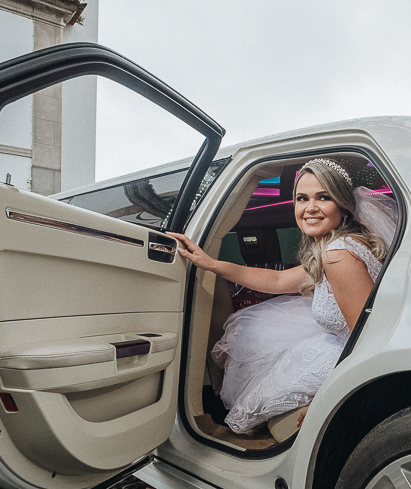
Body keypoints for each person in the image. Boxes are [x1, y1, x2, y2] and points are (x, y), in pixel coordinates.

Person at [168, 158, 397, 435]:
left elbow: (365, 338)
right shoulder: (340, 245)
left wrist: (329, 396)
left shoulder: (338, 255)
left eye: (323, 197)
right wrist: (211, 264)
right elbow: (277, 280)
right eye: (302, 198)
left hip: (351, 357)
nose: (310, 208)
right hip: (341, 346)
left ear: (343, 206)